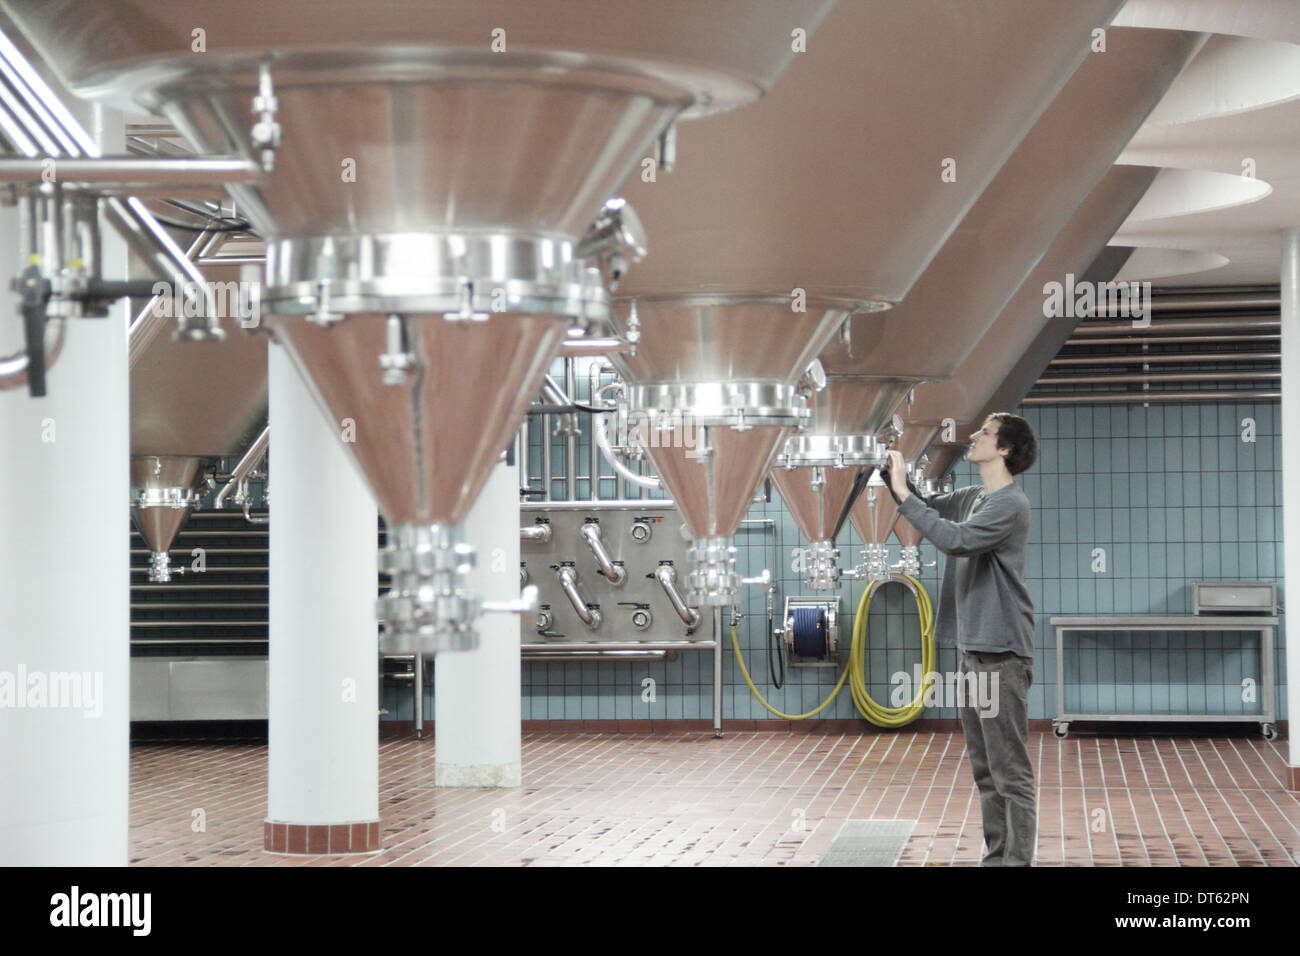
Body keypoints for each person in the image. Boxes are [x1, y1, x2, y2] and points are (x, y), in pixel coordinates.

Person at [883, 412, 1039, 866]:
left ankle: (1017, 862)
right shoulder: (974, 496)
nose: (972, 437)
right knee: (986, 771)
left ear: (1005, 450)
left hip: (1002, 652)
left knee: (1010, 772)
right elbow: (927, 506)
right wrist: (896, 473)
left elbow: (955, 540)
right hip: (973, 649)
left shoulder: (1009, 504)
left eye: (985, 433)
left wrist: (900, 492)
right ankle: (997, 858)